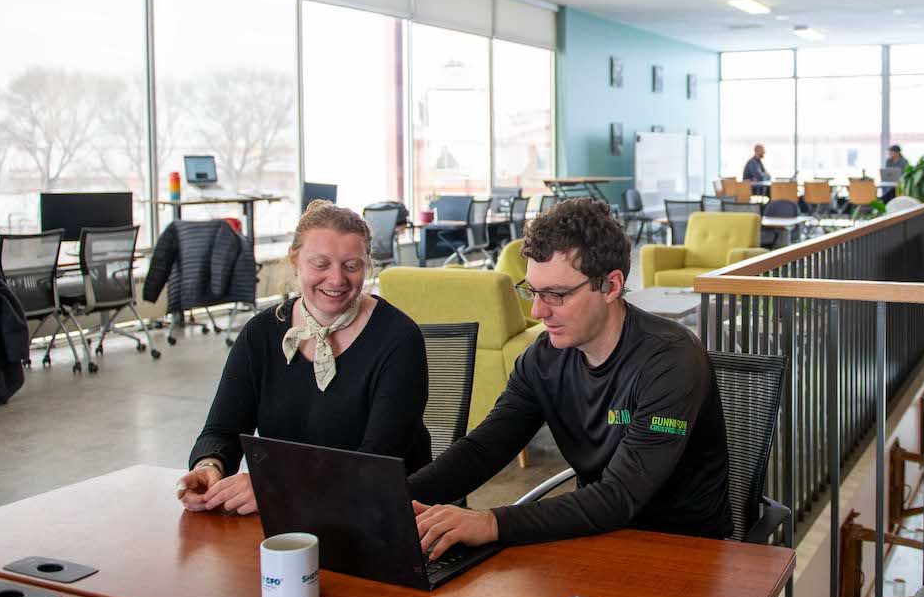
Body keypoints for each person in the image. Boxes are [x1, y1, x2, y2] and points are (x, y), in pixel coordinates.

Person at [409, 198, 730, 559]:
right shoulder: (543, 358)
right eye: (532, 290)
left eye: (557, 295)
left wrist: (489, 523)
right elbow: (485, 448)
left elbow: (619, 496)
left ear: (611, 286)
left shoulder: (670, 359)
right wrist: (395, 499)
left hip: (684, 551)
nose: (537, 310)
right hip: (595, 538)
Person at [175, 200, 431, 515]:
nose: (336, 280)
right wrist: (209, 465)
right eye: (320, 264)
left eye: (351, 266)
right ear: (295, 262)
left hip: (382, 515)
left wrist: (277, 485)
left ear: (367, 265)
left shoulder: (398, 338)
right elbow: (220, 431)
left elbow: (377, 461)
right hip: (288, 516)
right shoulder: (261, 334)